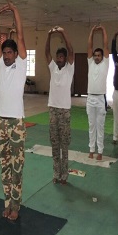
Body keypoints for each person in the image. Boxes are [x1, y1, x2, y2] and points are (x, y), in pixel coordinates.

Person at [0, 2, 27, 222]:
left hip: (16, 123)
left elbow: (21, 36)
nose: (6, 55)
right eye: (4, 52)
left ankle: (16, 206)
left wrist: (15, 11)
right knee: (5, 167)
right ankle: (7, 203)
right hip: (1, 123)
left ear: (16, 54)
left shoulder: (21, 65)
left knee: (17, 167)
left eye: (9, 52)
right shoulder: (0, 65)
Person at [45, 27, 74, 185]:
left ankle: (65, 175)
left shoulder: (69, 68)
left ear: (65, 58)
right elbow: (46, 52)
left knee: (64, 145)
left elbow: (71, 49)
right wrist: (49, 35)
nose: (59, 59)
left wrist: (63, 33)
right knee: (55, 144)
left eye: (61, 57)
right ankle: (56, 173)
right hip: (53, 110)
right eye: (58, 57)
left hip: (64, 111)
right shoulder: (53, 68)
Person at [86, 25, 110, 160]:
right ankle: (91, 149)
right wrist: (92, 32)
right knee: (91, 125)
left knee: (100, 126)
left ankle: (100, 151)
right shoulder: (90, 63)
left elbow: (106, 46)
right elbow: (89, 47)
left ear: (102, 56)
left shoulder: (105, 64)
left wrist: (103, 30)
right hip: (90, 98)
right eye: (95, 55)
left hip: (101, 99)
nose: (96, 57)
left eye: (98, 55)